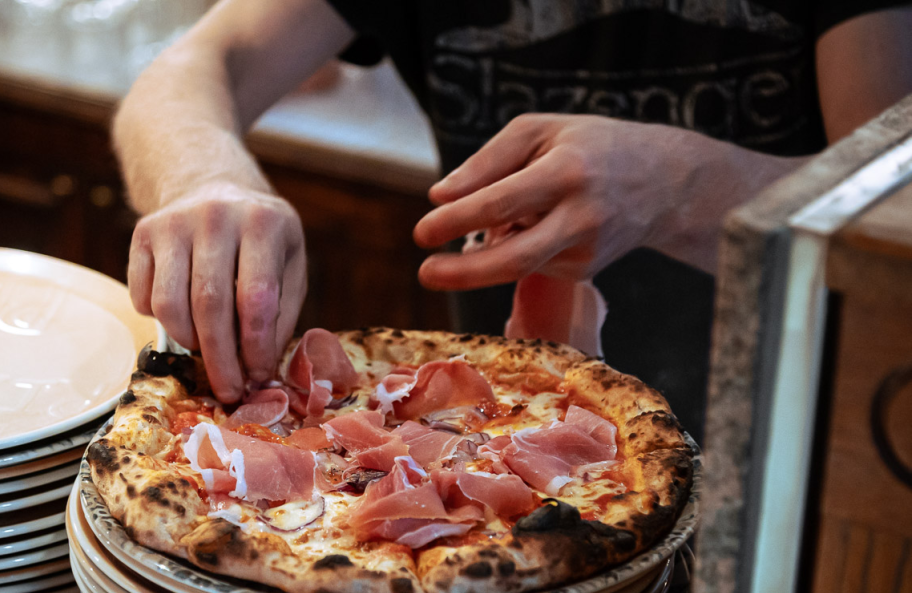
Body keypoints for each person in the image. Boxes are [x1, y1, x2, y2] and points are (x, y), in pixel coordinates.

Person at [112, 0, 912, 437]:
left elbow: (897, 215)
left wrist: (687, 187)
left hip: (791, 458)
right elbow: (190, 70)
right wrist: (203, 176)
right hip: (495, 440)